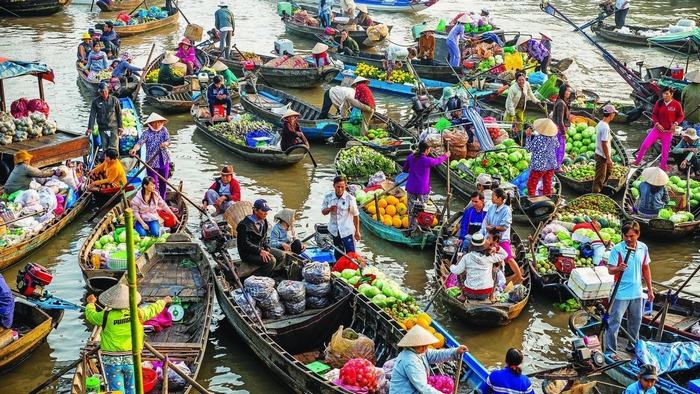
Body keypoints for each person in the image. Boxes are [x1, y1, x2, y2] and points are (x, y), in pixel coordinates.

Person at [84, 284, 170, 394]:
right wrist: (164, 301)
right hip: (132, 359)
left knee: (117, 391)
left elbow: (91, 315)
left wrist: (91, 303)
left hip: (112, 361)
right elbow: (153, 309)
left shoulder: (105, 316)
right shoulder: (138, 313)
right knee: (132, 390)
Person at [606, 220, 653, 355]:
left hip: (637, 292)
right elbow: (610, 270)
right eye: (625, 236)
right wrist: (618, 268)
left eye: (631, 236)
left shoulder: (643, 248)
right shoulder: (618, 249)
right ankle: (610, 351)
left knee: (636, 321)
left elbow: (646, 268)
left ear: (638, 235)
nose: (628, 238)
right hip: (620, 293)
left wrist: (650, 289)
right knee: (614, 322)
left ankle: (632, 346)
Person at [389, 325, 468, 394]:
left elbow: (436, 355)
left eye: (426, 345)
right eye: (421, 346)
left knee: (447, 382)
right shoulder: (410, 361)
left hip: (414, 386)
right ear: (412, 345)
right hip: (406, 391)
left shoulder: (420, 352)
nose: (425, 348)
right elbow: (423, 388)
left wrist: (455, 351)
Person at [634, 87, 685, 171]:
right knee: (645, 145)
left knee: (665, 151)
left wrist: (675, 124)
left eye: (667, 94)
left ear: (671, 94)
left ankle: (662, 167)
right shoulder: (659, 103)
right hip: (657, 130)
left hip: (668, 132)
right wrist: (657, 123)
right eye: (664, 94)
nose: (665, 96)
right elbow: (654, 115)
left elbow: (681, 116)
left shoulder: (676, 104)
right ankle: (637, 161)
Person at [403, 141, 449, 231]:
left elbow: (405, 170)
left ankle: (411, 228)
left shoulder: (411, 157)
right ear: (427, 150)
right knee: (424, 210)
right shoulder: (427, 160)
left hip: (411, 187)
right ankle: (423, 227)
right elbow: (438, 160)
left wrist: (413, 170)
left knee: (411, 209)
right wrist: (446, 155)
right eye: (429, 149)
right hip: (422, 189)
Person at [480, 188, 523, 284]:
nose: (492, 198)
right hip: (490, 236)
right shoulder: (492, 207)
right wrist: (484, 232)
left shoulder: (506, 210)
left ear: (499, 198)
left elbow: (504, 226)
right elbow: (486, 221)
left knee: (509, 258)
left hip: (502, 238)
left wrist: (494, 228)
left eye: (493, 196)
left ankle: (519, 276)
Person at [237, 199, 288, 276]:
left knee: (281, 255)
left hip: (260, 248)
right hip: (247, 253)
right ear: (255, 210)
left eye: (266, 211)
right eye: (263, 211)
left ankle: (269, 273)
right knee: (271, 261)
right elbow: (245, 244)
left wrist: (266, 247)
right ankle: (255, 278)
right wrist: (260, 251)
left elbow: (264, 239)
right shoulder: (244, 225)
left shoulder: (264, 221)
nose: (266, 213)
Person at [450, 233, 507, 300]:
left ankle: (463, 295)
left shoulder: (466, 257)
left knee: (460, 272)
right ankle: (492, 296)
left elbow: (456, 271)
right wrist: (497, 248)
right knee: (495, 271)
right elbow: (504, 254)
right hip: (486, 293)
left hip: (469, 293)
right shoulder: (490, 257)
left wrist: (452, 266)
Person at [129, 113, 172, 198]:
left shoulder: (164, 130)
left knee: (164, 182)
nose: (157, 124)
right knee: (153, 184)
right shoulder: (146, 133)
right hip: (152, 162)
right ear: (150, 124)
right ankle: (154, 201)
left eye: (159, 122)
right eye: (155, 123)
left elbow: (168, 141)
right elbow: (139, 143)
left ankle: (162, 200)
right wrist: (134, 149)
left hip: (164, 160)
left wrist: (165, 144)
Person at [322, 176, 361, 260]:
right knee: (338, 253)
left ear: (345, 186)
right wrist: (329, 209)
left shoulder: (350, 198)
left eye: (342, 187)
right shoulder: (328, 197)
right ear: (334, 186)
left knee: (351, 254)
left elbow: (355, 215)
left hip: (347, 231)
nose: (340, 189)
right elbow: (323, 212)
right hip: (334, 231)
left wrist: (357, 232)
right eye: (338, 187)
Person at [525, 118, 559, 197]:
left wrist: (528, 137)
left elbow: (528, 149)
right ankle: (548, 198)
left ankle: (532, 199)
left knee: (531, 184)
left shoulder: (539, 138)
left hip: (540, 165)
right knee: (547, 182)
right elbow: (557, 145)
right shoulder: (554, 137)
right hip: (551, 164)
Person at [87, 82, 123, 153]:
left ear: (108, 90)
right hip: (102, 128)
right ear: (99, 92)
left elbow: (119, 114)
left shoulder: (114, 100)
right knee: (105, 147)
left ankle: (115, 162)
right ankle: (106, 162)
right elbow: (92, 115)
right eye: (102, 92)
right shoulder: (95, 102)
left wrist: (120, 127)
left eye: (105, 91)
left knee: (114, 148)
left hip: (113, 127)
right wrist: (90, 128)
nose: (104, 93)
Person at [593, 104, 618, 193]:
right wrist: (608, 158)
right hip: (602, 155)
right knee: (599, 178)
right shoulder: (605, 127)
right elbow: (604, 144)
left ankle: (602, 189)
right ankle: (596, 193)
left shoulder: (600, 123)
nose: (614, 115)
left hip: (600, 153)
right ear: (611, 114)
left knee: (608, 172)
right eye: (614, 114)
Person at [551, 83, 572, 170]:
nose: (569, 93)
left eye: (570, 91)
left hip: (558, 129)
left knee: (557, 148)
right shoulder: (561, 103)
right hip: (559, 130)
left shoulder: (561, 101)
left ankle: (555, 166)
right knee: (560, 149)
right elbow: (560, 120)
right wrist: (563, 132)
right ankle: (556, 167)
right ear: (563, 91)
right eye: (567, 91)